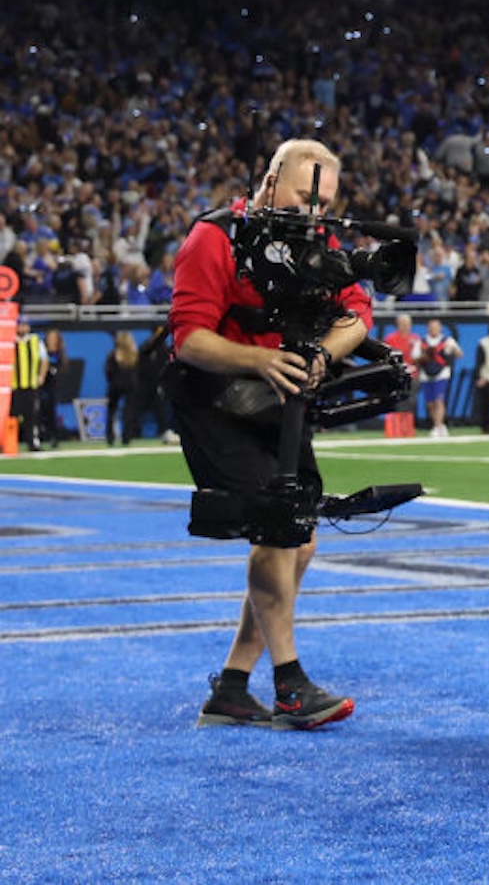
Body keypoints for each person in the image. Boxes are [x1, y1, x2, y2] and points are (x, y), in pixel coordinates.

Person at [168, 138, 368, 730]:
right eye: (306, 197)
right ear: (271, 179)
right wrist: (261, 361)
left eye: (324, 201)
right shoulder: (214, 236)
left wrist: (320, 358)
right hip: (214, 400)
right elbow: (189, 339)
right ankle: (289, 683)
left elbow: (358, 313)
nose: (315, 212)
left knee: (298, 540)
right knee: (280, 531)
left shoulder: (319, 242)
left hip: (278, 399)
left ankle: (232, 687)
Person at [418, 317, 462, 437]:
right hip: (426, 374)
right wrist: (425, 356)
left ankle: (437, 427)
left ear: (440, 328)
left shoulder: (447, 340)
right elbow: (415, 359)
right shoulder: (422, 341)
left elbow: (459, 354)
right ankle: (440, 424)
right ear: (428, 328)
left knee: (439, 400)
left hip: (442, 373)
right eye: (431, 327)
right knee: (430, 403)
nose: (434, 330)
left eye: (436, 327)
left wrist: (453, 350)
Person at [12, 316, 49, 451]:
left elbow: (44, 359)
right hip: (14, 385)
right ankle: (9, 442)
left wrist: (41, 376)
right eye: (20, 325)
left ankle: (33, 442)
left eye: (25, 325)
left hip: (31, 385)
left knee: (32, 416)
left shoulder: (35, 341)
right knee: (11, 416)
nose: (23, 328)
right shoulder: (9, 341)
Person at [106, 329, 141, 446]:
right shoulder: (133, 355)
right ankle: (127, 436)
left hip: (116, 385)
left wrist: (112, 381)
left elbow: (108, 371)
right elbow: (138, 371)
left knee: (112, 411)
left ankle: (110, 437)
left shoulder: (114, 355)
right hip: (130, 385)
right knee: (128, 411)